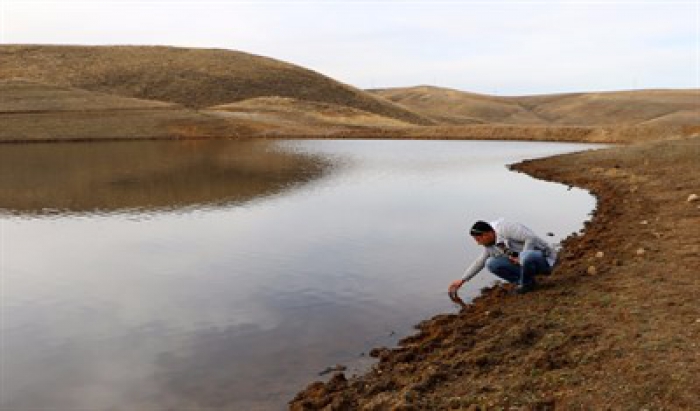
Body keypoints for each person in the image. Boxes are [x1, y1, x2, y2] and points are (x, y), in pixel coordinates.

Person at [448, 219, 557, 295]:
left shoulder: (505, 228)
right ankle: (526, 283)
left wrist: (521, 257)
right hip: (525, 264)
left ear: (487, 234)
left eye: (478, 239)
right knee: (490, 263)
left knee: (526, 255)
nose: (478, 243)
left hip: (543, 258)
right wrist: (463, 280)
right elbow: (480, 262)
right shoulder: (490, 245)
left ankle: (527, 280)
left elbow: (531, 238)